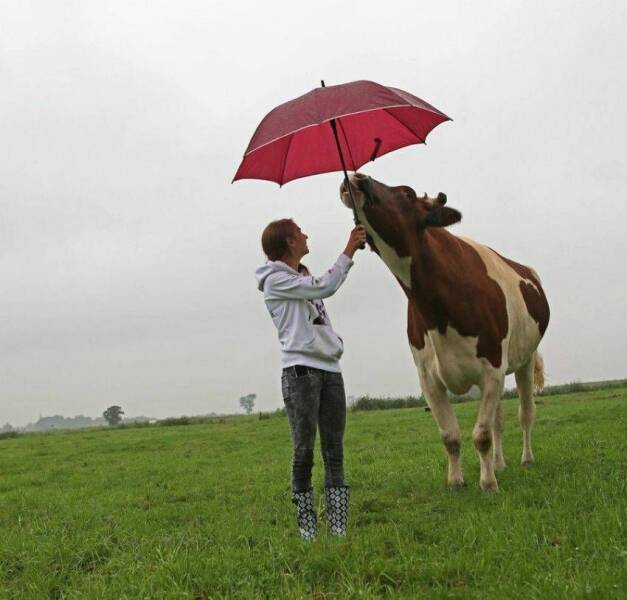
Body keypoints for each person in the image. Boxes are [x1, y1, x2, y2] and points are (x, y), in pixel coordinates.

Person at [255, 219, 367, 540]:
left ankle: (338, 528)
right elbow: (325, 287)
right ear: (290, 242)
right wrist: (349, 249)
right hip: (300, 371)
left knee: (334, 450)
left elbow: (319, 292)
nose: (306, 235)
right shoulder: (276, 280)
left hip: (330, 368)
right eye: (301, 231)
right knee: (304, 452)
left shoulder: (301, 276)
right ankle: (307, 531)